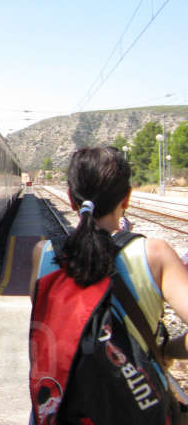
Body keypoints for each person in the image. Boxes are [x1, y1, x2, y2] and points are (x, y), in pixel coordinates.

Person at [30, 146, 188, 361]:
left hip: (67, 393)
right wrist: (166, 350)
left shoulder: (44, 253)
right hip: (136, 392)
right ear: (127, 198)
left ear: (71, 198)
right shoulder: (156, 254)